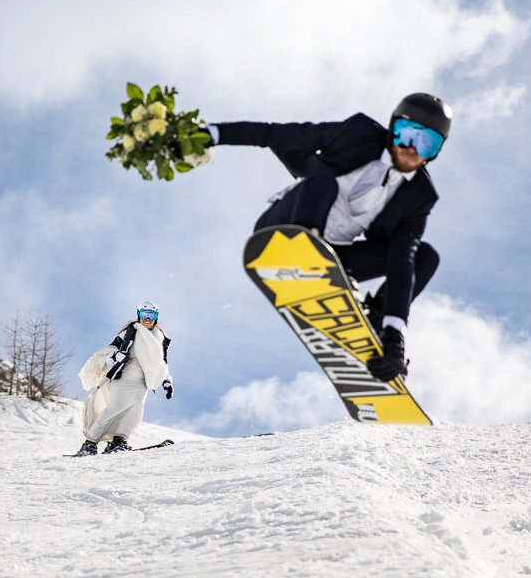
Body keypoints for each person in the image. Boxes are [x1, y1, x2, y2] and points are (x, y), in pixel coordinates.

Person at [205, 93, 452, 382]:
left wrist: (394, 332)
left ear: (436, 150)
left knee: (425, 257)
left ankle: (373, 320)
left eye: (427, 142)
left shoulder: (420, 195)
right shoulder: (357, 133)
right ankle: (307, 251)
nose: (412, 149)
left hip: (332, 256)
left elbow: (402, 259)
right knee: (324, 183)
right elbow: (274, 133)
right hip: (284, 227)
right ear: (392, 129)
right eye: (406, 135)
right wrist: (213, 133)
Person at [74, 301, 173, 455]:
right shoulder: (131, 331)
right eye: (144, 314)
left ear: (156, 316)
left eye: (151, 315)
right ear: (138, 315)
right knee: (115, 408)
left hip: (143, 381)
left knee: (135, 411)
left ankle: (119, 440)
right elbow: (111, 348)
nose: (147, 318)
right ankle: (90, 442)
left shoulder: (160, 338)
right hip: (125, 376)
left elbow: (162, 363)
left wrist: (166, 381)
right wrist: (114, 355)